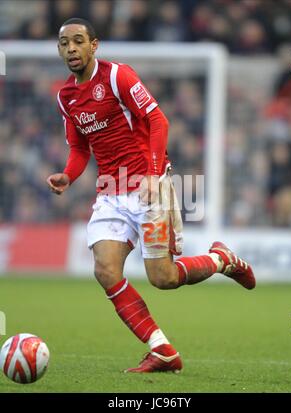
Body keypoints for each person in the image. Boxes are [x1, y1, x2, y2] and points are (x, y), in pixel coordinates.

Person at [47, 18, 256, 373]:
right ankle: (162, 350)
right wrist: (68, 175)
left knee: (163, 278)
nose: (71, 49)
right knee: (106, 271)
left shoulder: (118, 76)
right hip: (111, 193)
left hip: (149, 188)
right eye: (64, 43)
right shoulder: (65, 97)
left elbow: (159, 121)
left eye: (78, 41)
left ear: (94, 45)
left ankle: (221, 260)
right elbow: (80, 148)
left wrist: (152, 173)